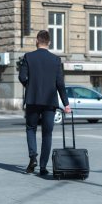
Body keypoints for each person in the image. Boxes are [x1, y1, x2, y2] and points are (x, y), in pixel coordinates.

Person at [19, 30, 71, 176]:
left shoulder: (28, 57)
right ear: (49, 43)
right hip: (50, 102)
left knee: (31, 128)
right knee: (47, 134)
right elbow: (60, 83)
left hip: (33, 99)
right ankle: (42, 167)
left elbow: (22, 77)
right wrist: (66, 104)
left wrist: (31, 87)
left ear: (37, 41)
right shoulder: (55, 60)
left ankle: (33, 157)